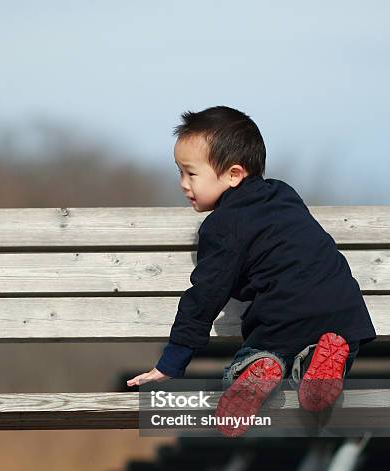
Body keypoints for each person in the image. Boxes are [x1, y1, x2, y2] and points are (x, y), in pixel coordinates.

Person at [126, 106, 376, 436]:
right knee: (320, 351)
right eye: (180, 173)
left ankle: (259, 364)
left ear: (233, 174)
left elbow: (204, 296)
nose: (183, 184)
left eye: (191, 173)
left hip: (283, 317)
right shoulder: (284, 194)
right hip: (344, 313)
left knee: (259, 357)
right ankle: (321, 368)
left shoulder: (222, 226)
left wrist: (171, 362)